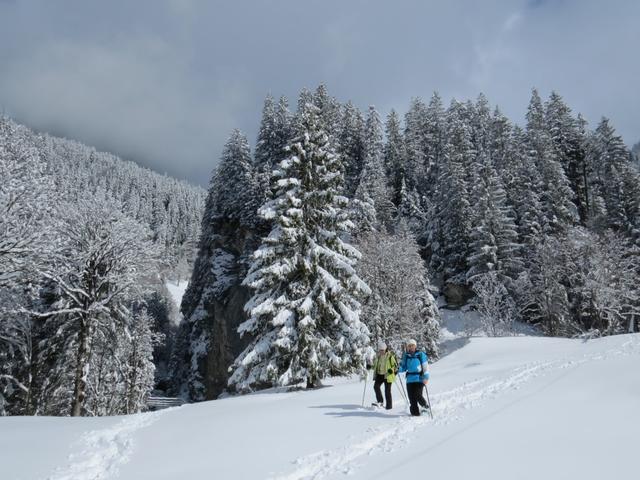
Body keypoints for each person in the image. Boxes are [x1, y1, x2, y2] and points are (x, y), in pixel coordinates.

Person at [398, 338, 430, 416]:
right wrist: (398, 369)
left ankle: (425, 407)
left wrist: (426, 377)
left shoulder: (420, 354)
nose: (411, 347)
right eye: (409, 346)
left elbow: (425, 366)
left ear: (415, 346)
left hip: (419, 378)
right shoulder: (406, 356)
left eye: (412, 345)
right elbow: (404, 367)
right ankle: (415, 413)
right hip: (409, 380)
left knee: (417, 395)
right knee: (411, 398)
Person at [371, 341, 397, 410]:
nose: (381, 351)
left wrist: (391, 370)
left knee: (387, 391)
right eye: (380, 350)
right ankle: (380, 401)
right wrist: (369, 366)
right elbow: (375, 366)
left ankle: (389, 407)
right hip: (379, 375)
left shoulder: (390, 356)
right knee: (376, 386)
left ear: (385, 349)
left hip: (387, 375)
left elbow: (395, 366)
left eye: (382, 350)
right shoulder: (378, 357)